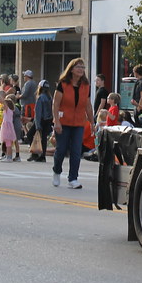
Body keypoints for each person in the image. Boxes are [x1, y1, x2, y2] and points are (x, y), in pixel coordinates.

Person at [52, 58, 92, 188]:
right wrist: (56, 121)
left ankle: (73, 178)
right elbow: (55, 104)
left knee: (76, 151)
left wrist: (92, 122)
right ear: (71, 69)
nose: (81, 69)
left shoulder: (86, 86)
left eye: (82, 67)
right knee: (61, 150)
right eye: (78, 67)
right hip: (63, 122)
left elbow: (88, 105)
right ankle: (57, 171)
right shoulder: (63, 84)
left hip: (79, 123)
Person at [28, 81, 52, 162]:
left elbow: (38, 112)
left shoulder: (40, 98)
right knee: (44, 138)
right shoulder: (49, 98)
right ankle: (42, 156)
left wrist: (38, 125)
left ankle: (35, 154)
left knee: (30, 135)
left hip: (40, 120)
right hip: (47, 120)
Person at [0, 95, 21, 162]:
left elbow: (4, 102)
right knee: (8, 143)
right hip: (7, 127)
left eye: (4, 105)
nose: (3, 105)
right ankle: (8, 156)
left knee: (8, 143)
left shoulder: (8, 110)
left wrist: (0, 96)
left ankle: (9, 157)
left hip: (7, 128)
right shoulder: (10, 111)